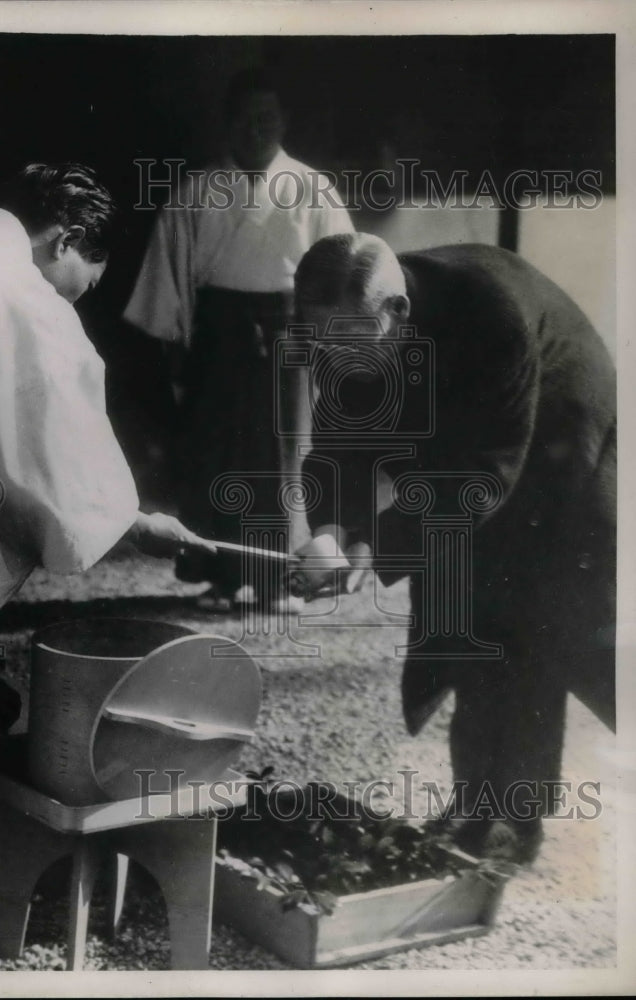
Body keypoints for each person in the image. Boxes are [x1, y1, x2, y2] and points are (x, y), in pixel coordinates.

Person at [0, 162, 214, 969]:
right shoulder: (17, 295)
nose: (69, 302)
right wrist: (131, 522)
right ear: (65, 241)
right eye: (78, 285)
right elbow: (56, 465)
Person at [290, 232, 616, 863]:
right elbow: (339, 446)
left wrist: (373, 551)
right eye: (321, 341)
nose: (335, 358)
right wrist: (332, 531)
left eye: (349, 345)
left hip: (561, 433)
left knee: (561, 628)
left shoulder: (489, 313)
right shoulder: (346, 327)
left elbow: (482, 480)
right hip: (463, 444)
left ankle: (512, 817)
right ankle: (485, 813)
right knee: (464, 623)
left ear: (397, 312)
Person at [123, 68, 353, 611]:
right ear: (227, 123)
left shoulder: (312, 188)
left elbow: (344, 267)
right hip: (219, 337)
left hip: (289, 336)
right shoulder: (196, 190)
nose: (257, 128)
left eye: (267, 117)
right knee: (216, 456)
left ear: (284, 121)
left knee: (282, 458)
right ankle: (224, 577)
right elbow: (169, 279)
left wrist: (325, 339)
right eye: (246, 118)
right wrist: (179, 349)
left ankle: (278, 582)